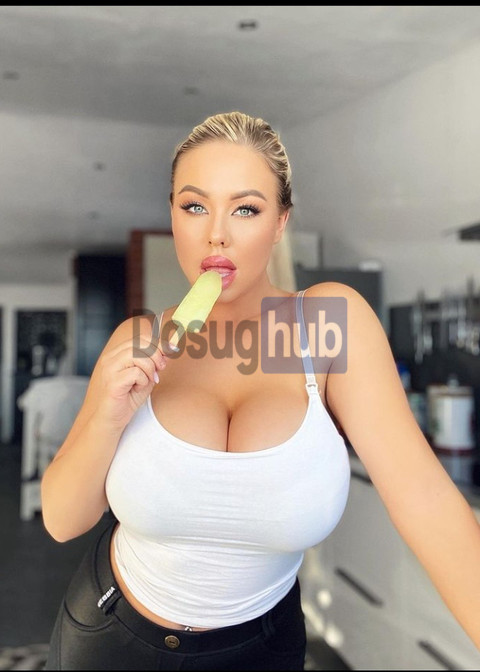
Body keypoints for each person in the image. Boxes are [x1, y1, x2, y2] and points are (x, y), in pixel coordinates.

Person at [41, 111, 480, 671]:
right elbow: (61, 519)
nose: (216, 233)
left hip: (262, 649)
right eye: (194, 206)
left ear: (279, 223)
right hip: (110, 636)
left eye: (245, 209)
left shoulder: (329, 324)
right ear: (173, 216)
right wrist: (106, 416)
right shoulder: (138, 340)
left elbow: (426, 500)